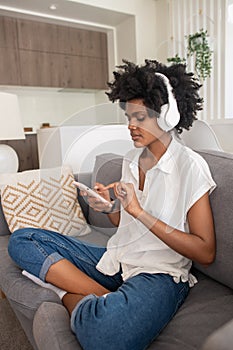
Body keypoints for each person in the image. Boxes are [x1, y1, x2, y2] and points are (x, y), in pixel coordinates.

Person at [8, 60, 216, 350]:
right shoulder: (132, 159)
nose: (130, 126)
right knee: (22, 239)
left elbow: (205, 252)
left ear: (168, 116)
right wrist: (110, 209)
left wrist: (140, 213)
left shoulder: (191, 167)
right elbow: (124, 225)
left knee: (103, 336)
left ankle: (68, 295)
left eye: (140, 117)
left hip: (159, 273)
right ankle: (102, 293)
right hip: (117, 259)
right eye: (128, 116)